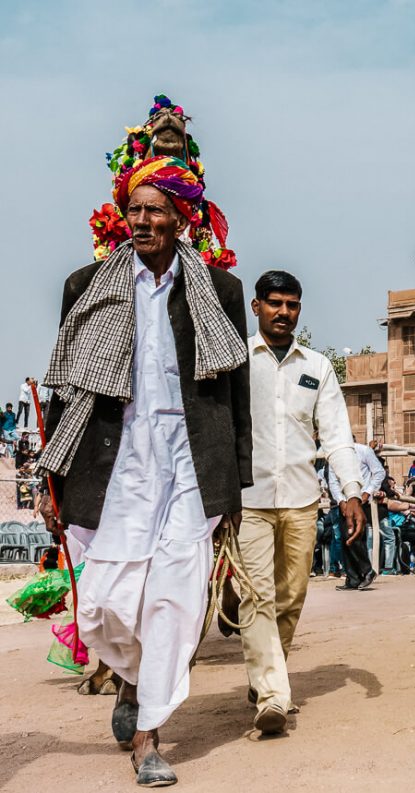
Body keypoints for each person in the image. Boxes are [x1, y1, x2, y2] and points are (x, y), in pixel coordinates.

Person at [39, 155, 251, 786]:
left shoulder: (219, 290)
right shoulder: (87, 285)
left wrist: (236, 480)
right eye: (134, 209)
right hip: (111, 460)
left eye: (155, 209)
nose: (141, 220)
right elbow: (62, 387)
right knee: (104, 603)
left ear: (180, 218)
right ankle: (130, 679)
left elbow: (236, 394)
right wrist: (50, 478)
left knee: (173, 599)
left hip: (191, 461)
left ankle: (150, 737)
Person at [239, 270, 365, 735]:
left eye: (292, 305)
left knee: (292, 597)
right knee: (259, 597)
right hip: (247, 499)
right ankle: (273, 695)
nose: (283, 313)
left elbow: (335, 434)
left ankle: (265, 676)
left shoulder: (317, 366)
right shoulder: (237, 360)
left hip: (300, 498)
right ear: (257, 307)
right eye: (274, 304)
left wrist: (350, 491)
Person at [325, 441, 384, 590]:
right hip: (343, 502)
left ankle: (367, 570)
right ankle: (353, 578)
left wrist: (367, 492)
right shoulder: (334, 456)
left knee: (353, 536)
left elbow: (379, 472)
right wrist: (341, 501)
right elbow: (333, 481)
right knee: (344, 537)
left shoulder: (364, 451)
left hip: (360, 501)